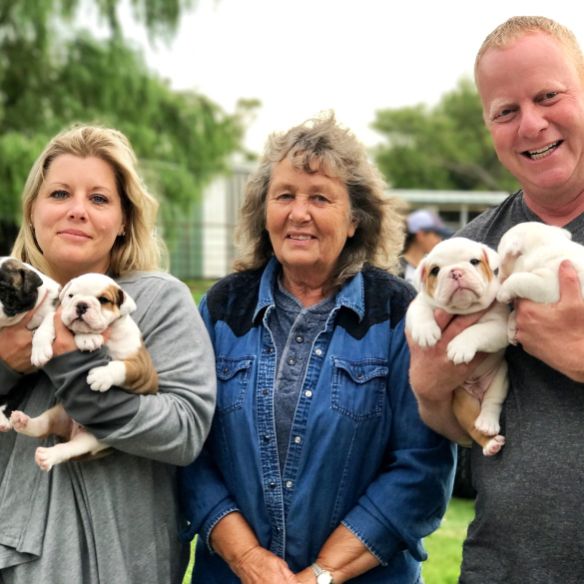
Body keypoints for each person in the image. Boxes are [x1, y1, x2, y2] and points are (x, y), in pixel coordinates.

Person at [178, 113, 455, 584]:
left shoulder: (397, 312)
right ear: (264, 213)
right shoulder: (222, 307)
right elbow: (188, 449)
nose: (298, 213)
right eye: (284, 195)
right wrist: (248, 559)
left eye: (320, 198)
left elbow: (421, 468)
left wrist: (321, 575)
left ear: (355, 221)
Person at [407, 16, 584, 583]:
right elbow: (450, 423)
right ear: (489, 126)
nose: (531, 124)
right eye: (505, 111)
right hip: (506, 565)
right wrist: (431, 391)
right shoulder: (474, 251)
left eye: (549, 96)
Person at [0, 125, 216, 583]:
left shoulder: (160, 301)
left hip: (119, 561)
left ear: (123, 221)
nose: (77, 210)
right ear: (33, 211)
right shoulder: (5, 294)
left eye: (99, 199)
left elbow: (185, 430)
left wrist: (69, 362)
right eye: (59, 193)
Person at [398, 209, 453, 284]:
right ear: (421, 235)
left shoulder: (434, 266)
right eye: (436, 234)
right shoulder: (396, 269)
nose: (440, 239)